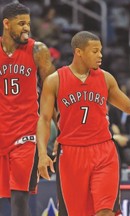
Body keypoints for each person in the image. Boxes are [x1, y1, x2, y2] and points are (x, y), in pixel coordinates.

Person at [36, 31, 130, 216]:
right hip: (71, 153)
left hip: (103, 151)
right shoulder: (55, 81)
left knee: (105, 211)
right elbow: (44, 119)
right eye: (95, 51)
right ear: (79, 52)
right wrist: (41, 154)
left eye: (101, 50)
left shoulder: (106, 78)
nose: (100, 55)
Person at [0, 2, 55, 216]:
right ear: (6, 24)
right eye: (21, 23)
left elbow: (53, 91)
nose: (26, 28)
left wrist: (62, 131)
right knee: (7, 198)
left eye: (28, 23)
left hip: (27, 134)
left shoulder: (38, 50)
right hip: (2, 133)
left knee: (19, 199)